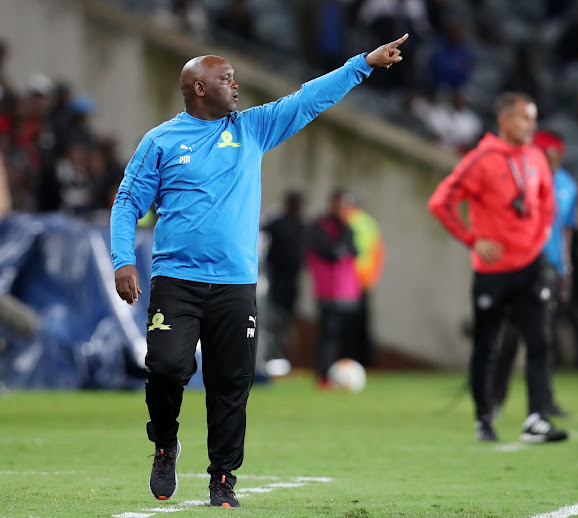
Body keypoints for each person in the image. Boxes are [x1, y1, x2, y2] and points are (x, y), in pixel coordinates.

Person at [109, 35, 409, 508]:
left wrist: (363, 64)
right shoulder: (161, 141)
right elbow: (127, 203)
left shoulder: (251, 129)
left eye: (234, 76)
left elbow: (307, 98)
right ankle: (165, 442)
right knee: (167, 367)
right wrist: (123, 259)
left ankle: (222, 478)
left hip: (234, 283)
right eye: (225, 78)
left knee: (232, 382)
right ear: (198, 89)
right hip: (177, 280)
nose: (236, 84)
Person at [428, 91, 568, 444]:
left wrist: (536, 242)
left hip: (530, 265)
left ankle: (536, 417)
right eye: (525, 118)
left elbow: (547, 205)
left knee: (539, 341)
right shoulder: (482, 159)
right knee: (487, 346)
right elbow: (441, 202)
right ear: (504, 120)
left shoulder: (536, 157)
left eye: (533, 119)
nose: (531, 126)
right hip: (492, 271)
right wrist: (472, 240)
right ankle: (483, 419)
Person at [488, 130, 578, 419]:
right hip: (521, 264)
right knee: (510, 338)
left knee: (545, 338)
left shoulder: (568, 186)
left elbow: (566, 229)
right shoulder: (524, 180)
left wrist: (567, 269)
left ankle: (544, 401)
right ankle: (494, 399)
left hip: (552, 268)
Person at [305, 189, 361, 387]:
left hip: (347, 291)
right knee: (328, 334)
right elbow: (329, 252)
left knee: (343, 335)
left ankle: (341, 373)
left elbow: (353, 250)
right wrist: (340, 250)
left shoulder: (347, 227)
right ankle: (324, 375)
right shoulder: (320, 226)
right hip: (327, 291)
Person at [261, 190, 306, 363]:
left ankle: (285, 358)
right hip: (274, 281)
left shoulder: (302, 225)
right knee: (273, 320)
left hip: (292, 282)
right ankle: (272, 357)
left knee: (288, 322)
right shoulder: (276, 224)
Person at [342, 191, 386, 367]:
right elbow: (379, 253)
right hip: (366, 280)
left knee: (345, 325)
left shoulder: (345, 221)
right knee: (362, 324)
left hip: (348, 281)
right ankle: (365, 362)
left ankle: (346, 360)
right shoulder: (370, 222)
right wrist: (374, 277)